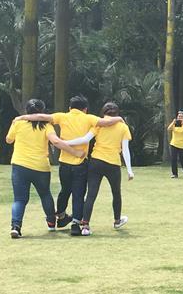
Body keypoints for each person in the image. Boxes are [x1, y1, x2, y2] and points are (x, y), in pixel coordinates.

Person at [15, 94, 124, 235]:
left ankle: (60, 215)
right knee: (78, 194)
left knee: (65, 190)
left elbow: (41, 116)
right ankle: (76, 224)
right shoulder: (89, 118)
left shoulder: (62, 116)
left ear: (70, 107)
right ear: (85, 109)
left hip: (64, 162)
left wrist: (23, 117)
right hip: (80, 163)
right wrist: (119, 118)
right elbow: (106, 122)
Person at [6, 99, 86, 238]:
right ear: (42, 112)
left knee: (19, 199)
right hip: (40, 167)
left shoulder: (18, 123)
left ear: (27, 111)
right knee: (45, 194)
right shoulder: (46, 126)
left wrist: (15, 126)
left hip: (19, 165)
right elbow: (56, 142)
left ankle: (16, 226)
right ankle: (51, 222)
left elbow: (9, 140)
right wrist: (75, 152)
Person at [64, 102, 134, 236]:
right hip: (113, 163)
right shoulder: (123, 127)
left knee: (91, 194)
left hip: (96, 161)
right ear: (117, 113)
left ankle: (85, 225)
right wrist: (129, 170)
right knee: (116, 193)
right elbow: (125, 150)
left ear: (104, 112)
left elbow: (84, 139)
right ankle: (117, 220)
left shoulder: (99, 124)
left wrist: (65, 142)